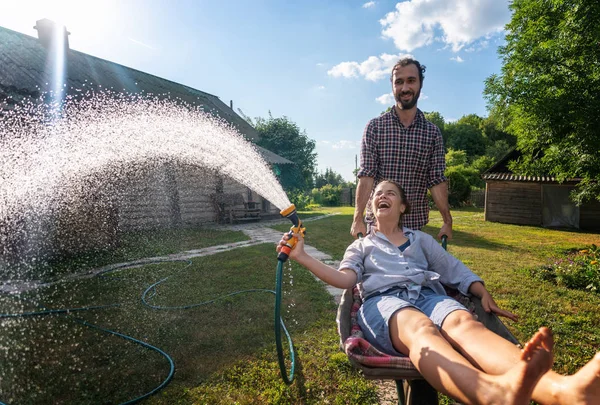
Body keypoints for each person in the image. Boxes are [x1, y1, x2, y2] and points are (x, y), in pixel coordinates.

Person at [278, 180, 600, 405]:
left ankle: (566, 391)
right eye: (377, 194)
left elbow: (452, 268)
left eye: (390, 193)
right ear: (371, 209)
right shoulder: (362, 245)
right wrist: (303, 256)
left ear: (403, 206)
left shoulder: (421, 240)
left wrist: (479, 289)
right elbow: (344, 279)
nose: (381, 196)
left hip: (428, 296)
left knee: (464, 323)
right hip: (385, 304)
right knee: (421, 329)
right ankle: (491, 394)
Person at [351, 57, 452, 241]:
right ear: (392, 86)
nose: (405, 88)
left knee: (414, 271)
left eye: (411, 81)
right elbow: (366, 176)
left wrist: (447, 220)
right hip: (378, 228)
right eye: (399, 82)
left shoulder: (432, 133)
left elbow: (437, 180)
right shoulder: (375, 127)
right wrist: (357, 218)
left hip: (415, 229)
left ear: (420, 84)